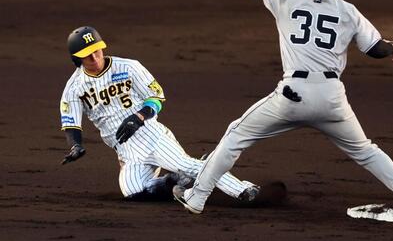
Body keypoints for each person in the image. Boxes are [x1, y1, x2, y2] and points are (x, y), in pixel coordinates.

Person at [173, 0, 393, 213]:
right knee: (365, 150)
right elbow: (376, 49)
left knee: (235, 136)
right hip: (332, 99)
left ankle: (197, 197)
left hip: (292, 97)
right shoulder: (347, 9)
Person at [59, 26, 259, 201]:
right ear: (76, 58)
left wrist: (139, 116)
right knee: (134, 192)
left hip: (151, 135)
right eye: (88, 54)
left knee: (184, 164)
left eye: (97, 50)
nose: (95, 57)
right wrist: (76, 145)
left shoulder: (128, 67)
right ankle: (176, 181)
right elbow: (71, 122)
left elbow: (156, 96)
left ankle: (242, 188)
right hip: (126, 152)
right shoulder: (74, 87)